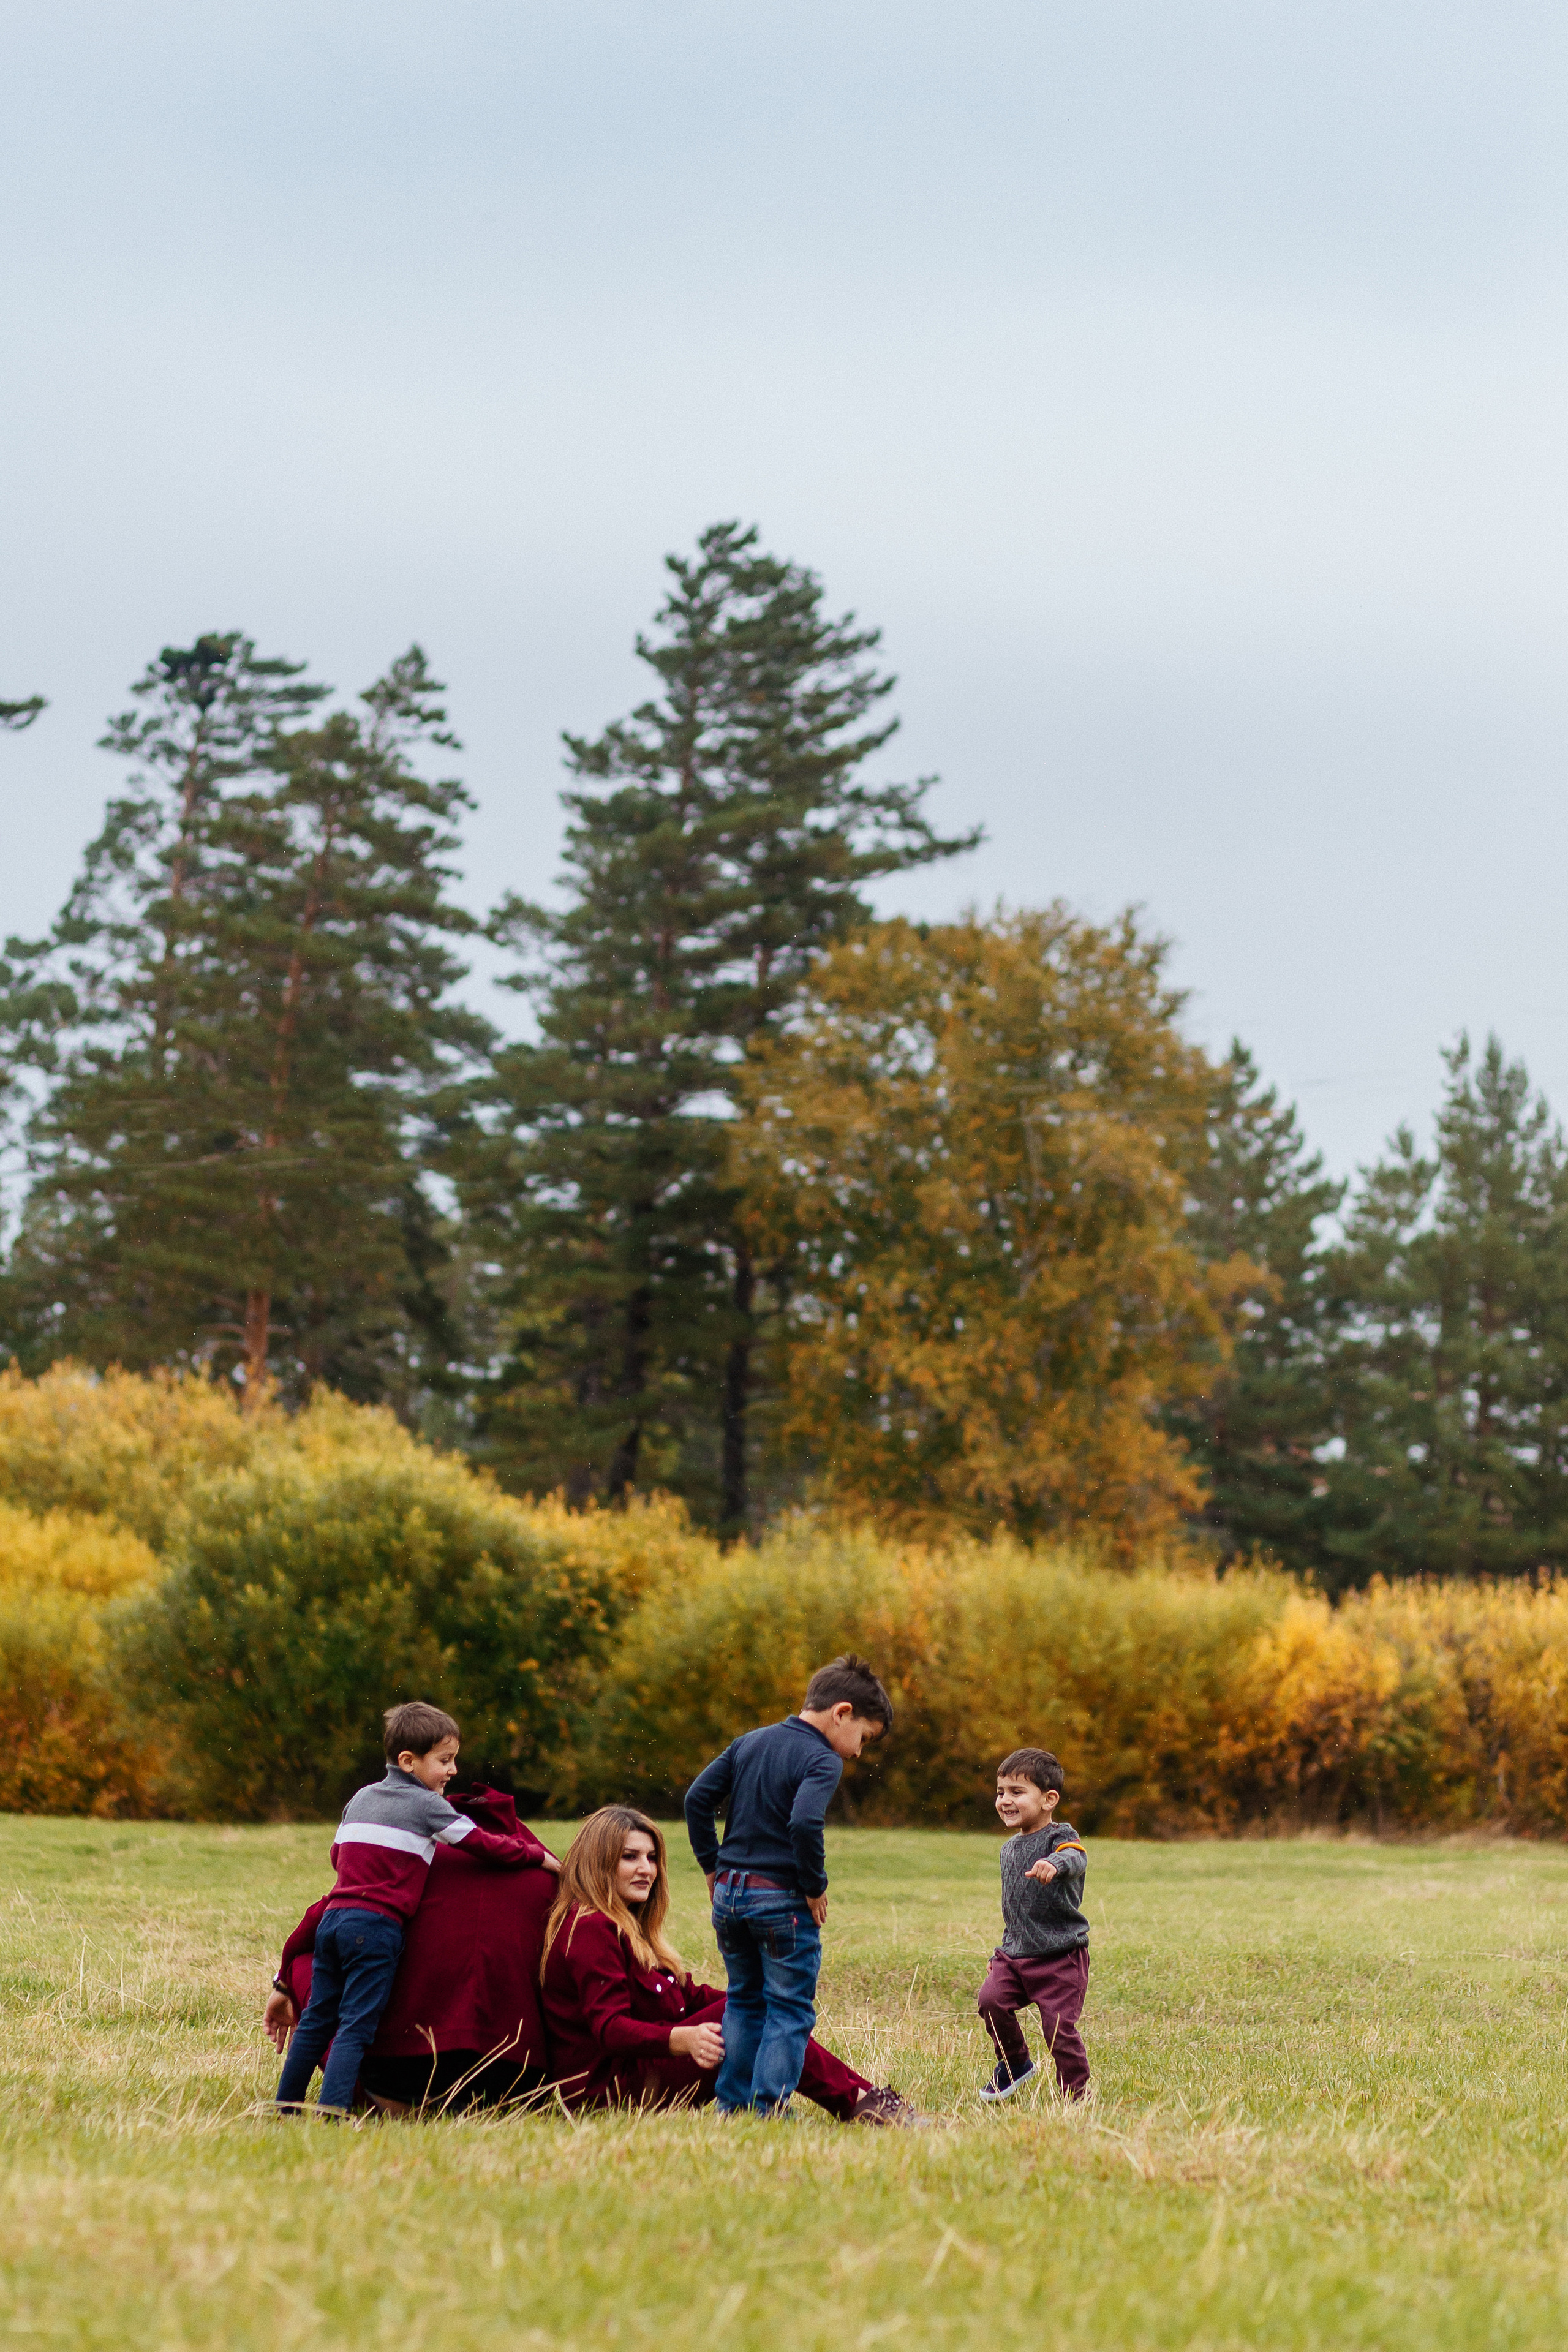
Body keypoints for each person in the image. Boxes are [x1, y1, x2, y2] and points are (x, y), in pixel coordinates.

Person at [541, 1806, 918, 2124]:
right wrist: (681, 2040)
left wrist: (753, 1999)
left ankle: (864, 2100)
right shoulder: (590, 1928)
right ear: (599, 1862)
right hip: (608, 2094)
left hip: (639, 2076)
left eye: (652, 1857)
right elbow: (609, 2028)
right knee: (757, 2014)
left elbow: (685, 1996)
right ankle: (866, 2104)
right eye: (630, 1857)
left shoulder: (626, 1926)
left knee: (758, 2008)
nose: (647, 1869)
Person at [274, 1700, 557, 2117]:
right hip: (377, 1927)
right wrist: (535, 1856)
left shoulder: (361, 1798)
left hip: (335, 1920)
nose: (453, 1771)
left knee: (317, 2021)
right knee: (356, 2023)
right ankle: (332, 2110)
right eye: (445, 1760)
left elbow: (338, 1855)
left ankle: (284, 2106)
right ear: (409, 1761)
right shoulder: (427, 1806)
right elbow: (480, 1843)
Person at [684, 1653, 893, 2117]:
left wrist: (711, 1868)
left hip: (730, 1898)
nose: (858, 1751)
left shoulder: (750, 1742)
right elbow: (803, 1823)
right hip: (780, 1900)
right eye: (863, 1737)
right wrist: (814, 1885)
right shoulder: (822, 1759)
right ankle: (768, 2108)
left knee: (742, 2000)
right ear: (842, 1713)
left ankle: (733, 2105)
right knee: (789, 2009)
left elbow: (697, 1799)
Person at [975, 1746, 1090, 2103]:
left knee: (1058, 2028)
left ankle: (1075, 2095)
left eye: (1017, 1792)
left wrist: (1055, 1864)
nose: (1005, 1801)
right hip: (1015, 1954)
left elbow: (1076, 1856)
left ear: (1048, 1799)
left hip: (1060, 1957)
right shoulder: (1008, 1848)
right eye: (1000, 1792)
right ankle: (1015, 2064)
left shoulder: (1060, 1837)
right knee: (990, 2001)